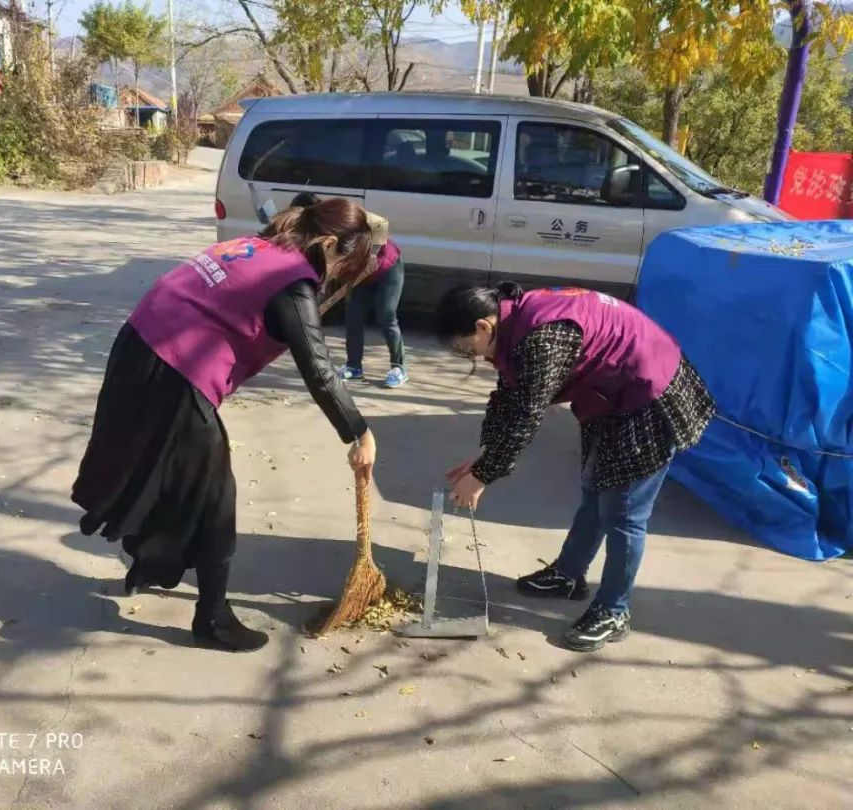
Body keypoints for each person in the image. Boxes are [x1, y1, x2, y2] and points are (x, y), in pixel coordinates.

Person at [72, 198, 379, 653]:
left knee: (158, 473)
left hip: (138, 346)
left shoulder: (258, 245)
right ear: (329, 242)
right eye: (341, 262)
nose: (335, 275)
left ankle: (148, 565)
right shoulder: (292, 283)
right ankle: (212, 618)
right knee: (215, 497)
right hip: (175, 374)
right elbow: (319, 368)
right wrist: (358, 431)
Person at [436, 284, 716, 652]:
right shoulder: (516, 323)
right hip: (611, 398)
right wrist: (487, 452)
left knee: (624, 511)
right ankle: (568, 575)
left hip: (649, 396)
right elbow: (510, 394)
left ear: (483, 326)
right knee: (596, 487)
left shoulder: (542, 337)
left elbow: (527, 413)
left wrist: (484, 475)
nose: (467, 354)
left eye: (463, 346)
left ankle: (614, 611)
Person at [290, 193, 407, 388]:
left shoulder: (342, 215)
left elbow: (381, 223)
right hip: (357, 273)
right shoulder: (314, 231)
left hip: (388, 268)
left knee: (386, 316)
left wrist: (373, 254)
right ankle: (354, 367)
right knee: (353, 316)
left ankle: (398, 367)